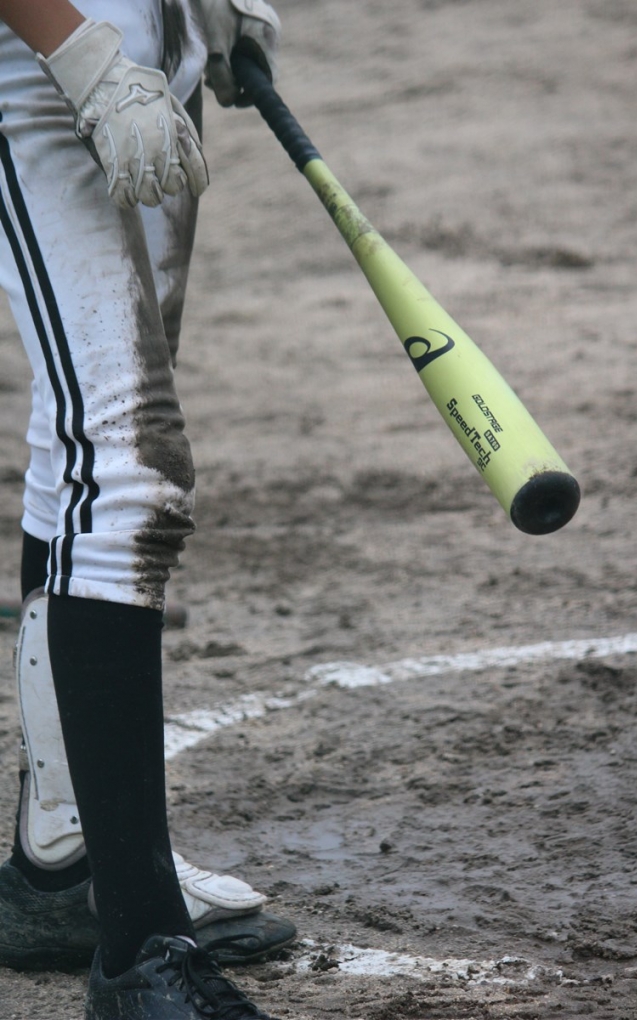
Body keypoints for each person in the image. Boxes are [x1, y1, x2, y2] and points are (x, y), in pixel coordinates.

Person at [0, 1, 294, 1017]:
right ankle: (141, 952)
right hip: (37, 55)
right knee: (124, 462)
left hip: (144, 47)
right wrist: (79, 51)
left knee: (83, 437)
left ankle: (67, 858)